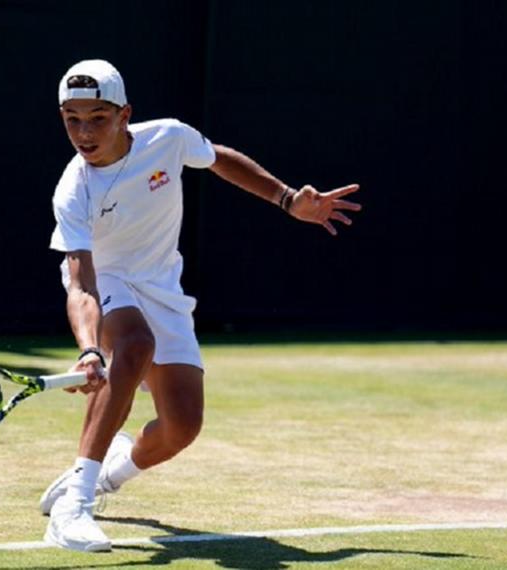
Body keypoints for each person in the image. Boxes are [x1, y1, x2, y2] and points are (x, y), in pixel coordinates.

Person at [42, 59, 361, 552]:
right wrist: (90, 349)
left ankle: (107, 473)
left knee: (182, 427)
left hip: (161, 284)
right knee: (134, 345)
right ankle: (73, 507)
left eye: (98, 118)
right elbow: (81, 282)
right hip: (108, 278)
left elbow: (217, 158)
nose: (84, 133)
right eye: (72, 120)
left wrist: (286, 199)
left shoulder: (169, 138)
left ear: (125, 115)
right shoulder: (74, 188)